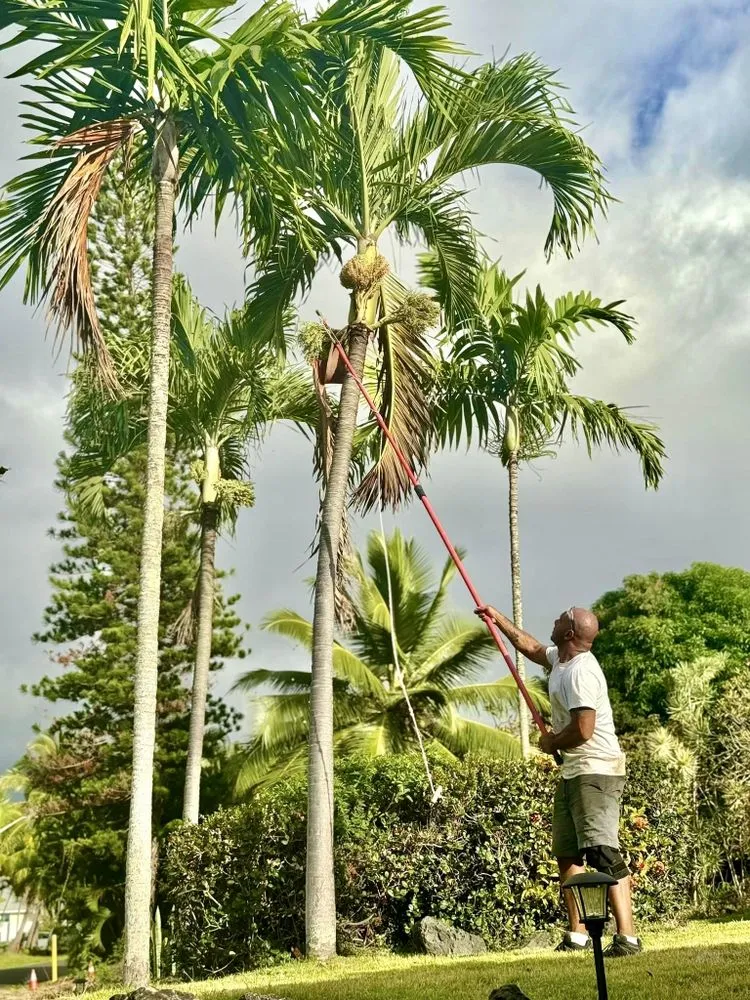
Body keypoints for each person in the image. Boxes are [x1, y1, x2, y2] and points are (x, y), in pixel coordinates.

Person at [474, 603, 643, 958]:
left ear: (569, 633)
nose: (553, 618)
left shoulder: (582, 672)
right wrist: (496, 618)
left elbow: (583, 729)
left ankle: (627, 937)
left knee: (602, 851)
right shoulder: (562, 659)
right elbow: (534, 650)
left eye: (561, 618)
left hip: (596, 769)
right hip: (574, 771)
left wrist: (551, 741)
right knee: (567, 854)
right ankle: (577, 935)